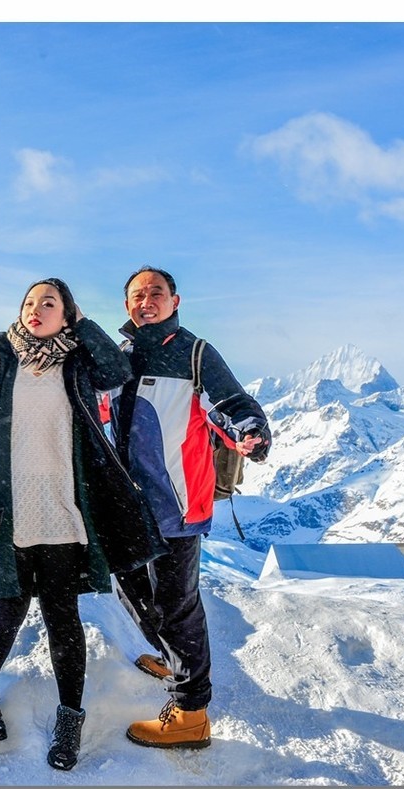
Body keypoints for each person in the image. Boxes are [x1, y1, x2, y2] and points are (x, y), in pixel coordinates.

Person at [0, 278, 168, 771]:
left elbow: (119, 370)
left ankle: (70, 719)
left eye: (50, 303)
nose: (36, 309)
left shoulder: (79, 358)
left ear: (68, 315)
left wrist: (84, 328)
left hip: (64, 507)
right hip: (5, 508)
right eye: (29, 302)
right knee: (6, 612)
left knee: (62, 619)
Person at [104, 265, 271, 749]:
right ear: (127, 306)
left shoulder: (195, 353)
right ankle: (175, 659)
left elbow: (232, 403)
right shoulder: (121, 356)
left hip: (177, 504)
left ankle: (191, 711)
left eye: (157, 292)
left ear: (175, 302)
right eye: (138, 294)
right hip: (128, 506)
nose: (147, 300)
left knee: (176, 605)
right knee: (131, 588)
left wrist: (249, 432)